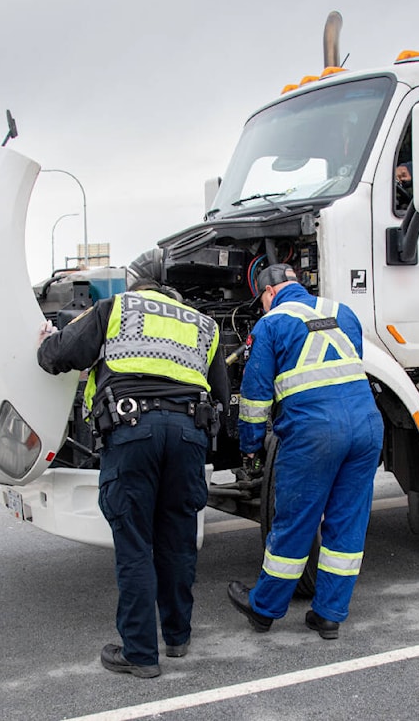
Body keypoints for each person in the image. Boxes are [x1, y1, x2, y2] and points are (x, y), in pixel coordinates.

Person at [37, 279, 229, 678]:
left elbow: (59, 355)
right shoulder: (203, 325)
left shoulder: (115, 308)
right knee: (177, 539)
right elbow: (221, 397)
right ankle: (177, 637)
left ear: (138, 293)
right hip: (188, 433)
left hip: (132, 428)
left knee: (136, 541)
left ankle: (140, 654)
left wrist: (46, 342)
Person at [228, 264, 384, 639]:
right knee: (347, 522)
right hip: (366, 426)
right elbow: (351, 369)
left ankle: (264, 608)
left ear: (268, 294)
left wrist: (250, 448)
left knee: (296, 521)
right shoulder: (342, 312)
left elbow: (255, 396)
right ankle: (329, 614)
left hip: (315, 433)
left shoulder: (271, 324)